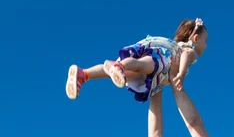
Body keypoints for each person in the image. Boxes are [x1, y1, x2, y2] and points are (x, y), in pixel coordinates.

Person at [65, 18, 206, 102]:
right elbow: (187, 55)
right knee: (140, 65)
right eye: (205, 41)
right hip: (163, 61)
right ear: (196, 38)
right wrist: (181, 74)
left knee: (126, 73)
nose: (206, 46)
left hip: (156, 59)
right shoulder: (189, 50)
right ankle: (119, 66)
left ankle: (84, 74)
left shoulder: (178, 46)